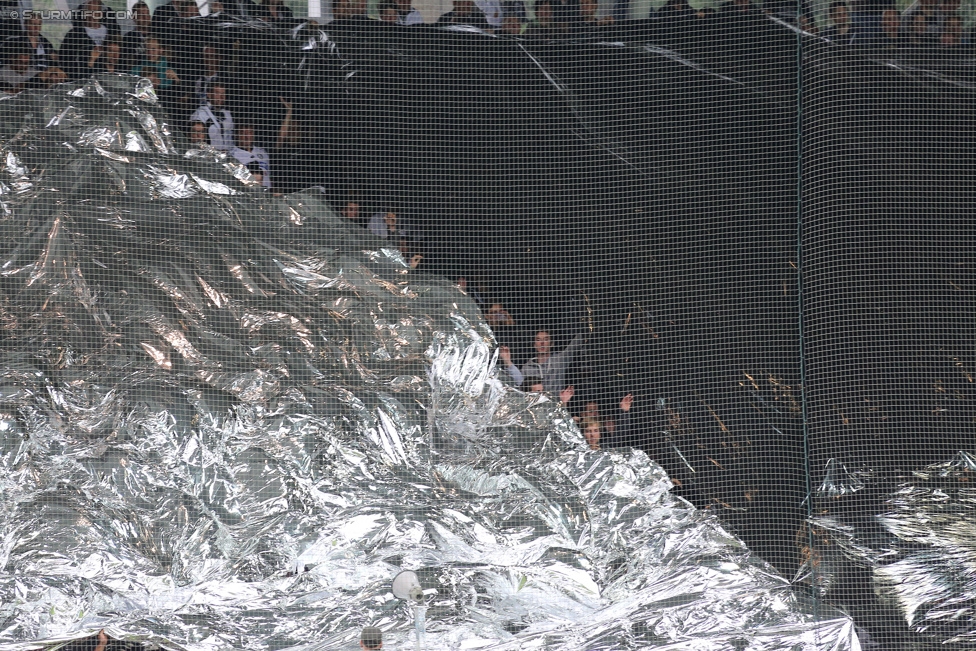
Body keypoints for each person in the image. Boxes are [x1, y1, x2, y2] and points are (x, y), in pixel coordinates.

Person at [500, 329, 584, 392]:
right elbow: (520, 384)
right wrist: (508, 362)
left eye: (546, 339)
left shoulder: (559, 360)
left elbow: (575, 346)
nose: (542, 343)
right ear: (534, 345)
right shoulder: (527, 367)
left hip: (556, 407)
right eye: (538, 340)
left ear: (552, 343)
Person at [59, 0, 121, 79]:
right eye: (89, 11)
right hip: (84, 77)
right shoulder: (73, 35)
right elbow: (65, 59)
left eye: (96, 11)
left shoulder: (113, 32)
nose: (93, 15)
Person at [190, 83, 234, 150]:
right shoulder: (200, 114)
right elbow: (195, 140)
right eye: (217, 93)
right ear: (209, 94)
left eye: (223, 93)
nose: (221, 97)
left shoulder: (227, 115)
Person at [230, 123, 271, 189]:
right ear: (237, 135)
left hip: (267, 194)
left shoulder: (262, 152)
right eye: (243, 133)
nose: (247, 136)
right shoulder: (232, 155)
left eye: (250, 132)